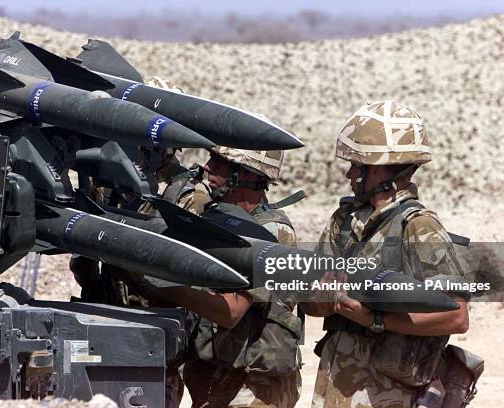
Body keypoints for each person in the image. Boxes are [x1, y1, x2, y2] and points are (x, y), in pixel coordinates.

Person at [303, 100, 471, 408]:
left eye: (357, 165)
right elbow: (309, 301)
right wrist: (323, 300)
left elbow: (456, 315)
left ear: (382, 168)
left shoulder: (419, 227)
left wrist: (375, 319)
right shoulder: (342, 222)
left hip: (389, 394)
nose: (349, 174)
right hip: (334, 387)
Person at [156, 146, 304, 408]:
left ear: (245, 175)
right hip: (217, 377)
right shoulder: (220, 221)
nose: (208, 167)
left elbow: (231, 311)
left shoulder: (271, 232)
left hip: (254, 387)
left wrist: (161, 285)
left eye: (220, 162)